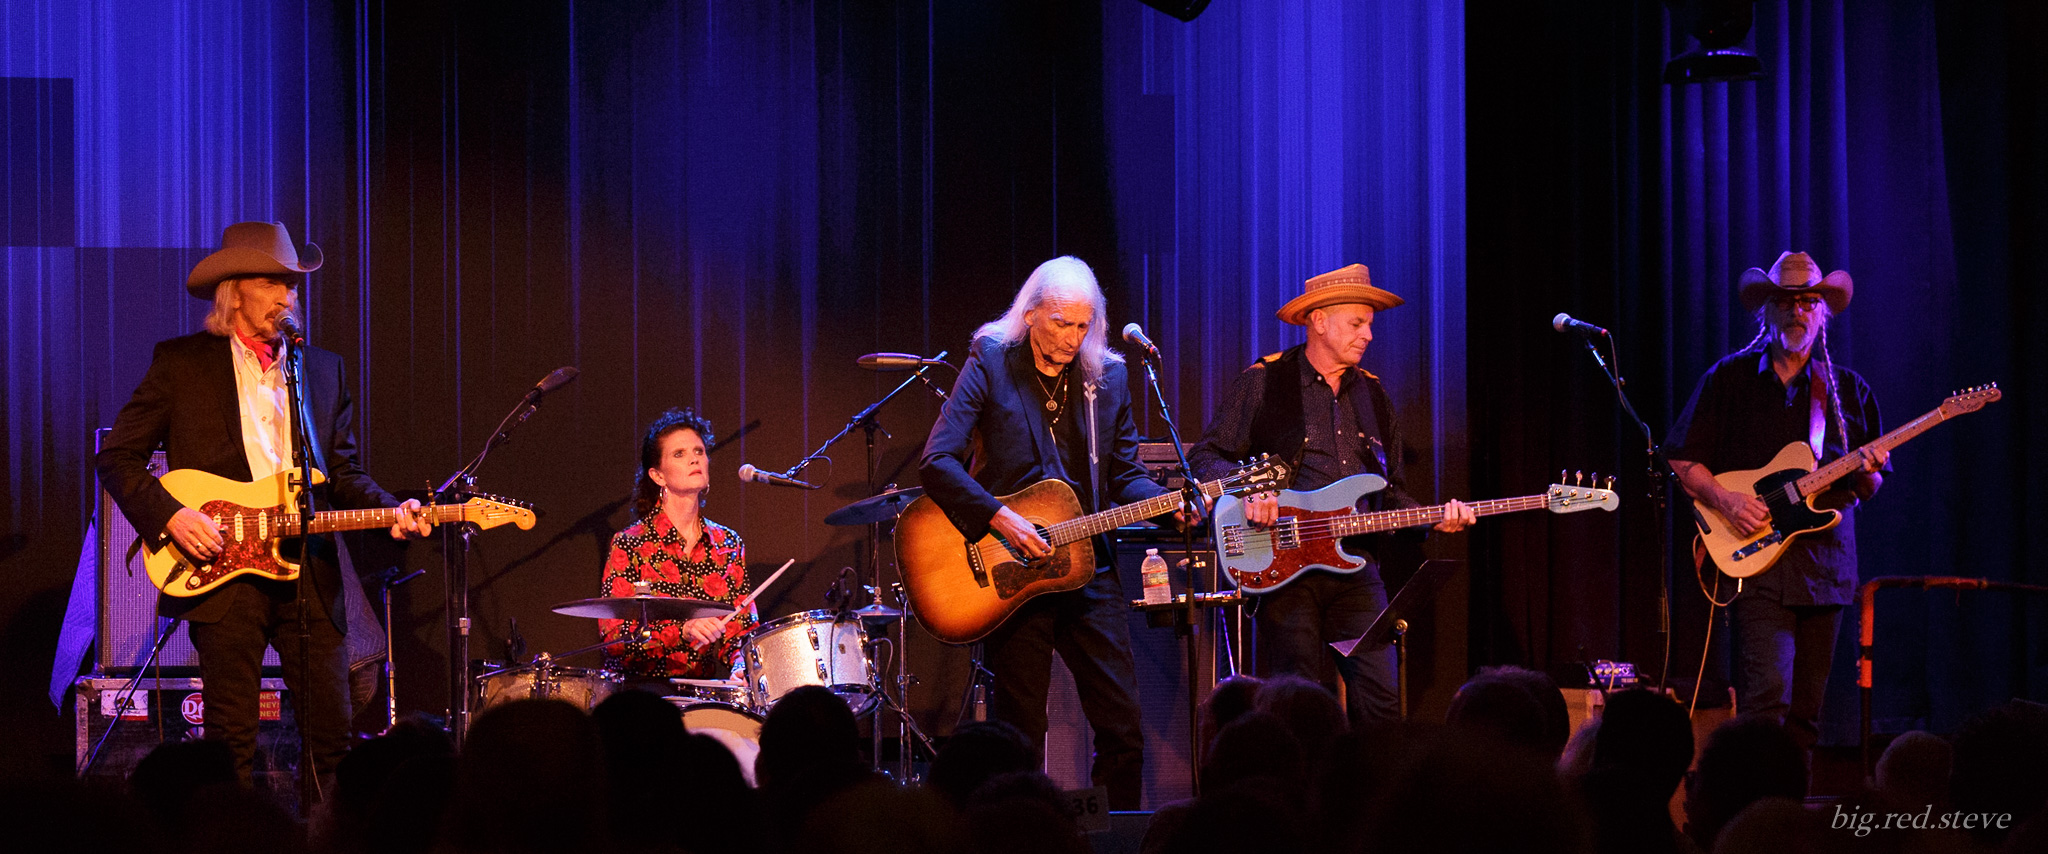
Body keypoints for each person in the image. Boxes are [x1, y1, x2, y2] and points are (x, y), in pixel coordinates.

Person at [95, 221, 432, 793]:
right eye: (272, 283)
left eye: (292, 285)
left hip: (308, 571)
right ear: (234, 292)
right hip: (223, 570)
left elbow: (342, 473)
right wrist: (171, 516)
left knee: (332, 738)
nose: (287, 296)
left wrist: (391, 510)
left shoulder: (321, 369)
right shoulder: (181, 363)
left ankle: (326, 829)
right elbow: (118, 456)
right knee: (230, 741)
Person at [918, 255, 1192, 809]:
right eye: (1061, 323)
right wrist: (1000, 516)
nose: (1072, 338)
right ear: (1031, 314)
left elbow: (1125, 475)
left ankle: (1113, 838)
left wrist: (1171, 509)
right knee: (1020, 734)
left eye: (1083, 325)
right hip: (1012, 569)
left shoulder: (1108, 377)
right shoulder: (993, 359)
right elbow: (937, 461)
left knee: (1123, 729)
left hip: (1089, 567)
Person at [1188, 263, 1473, 726]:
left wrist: (1434, 516)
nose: (1368, 336)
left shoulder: (1374, 396)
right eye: (1357, 323)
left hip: (1356, 565)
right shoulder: (1264, 380)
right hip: (1283, 562)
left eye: (1369, 325)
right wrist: (1249, 492)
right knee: (1296, 704)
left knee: (1381, 703)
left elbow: (1392, 493)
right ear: (1319, 321)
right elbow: (1205, 457)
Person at [1667, 251, 1886, 749]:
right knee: (1767, 699)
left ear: (1822, 312)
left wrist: (1870, 470)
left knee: (1807, 713)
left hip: (1826, 569)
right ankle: (1755, 796)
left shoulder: (1847, 390)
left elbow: (1868, 489)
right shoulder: (1728, 378)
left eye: (1808, 302)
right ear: (1766, 309)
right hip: (1758, 563)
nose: (1797, 311)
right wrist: (1727, 501)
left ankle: (1790, 799)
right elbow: (1682, 459)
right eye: (1786, 301)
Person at [599, 408, 756, 683]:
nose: (694, 459)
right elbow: (614, 638)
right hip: (641, 690)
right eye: (679, 454)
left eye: (699, 451)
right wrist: (682, 631)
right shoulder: (630, 543)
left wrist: (741, 665)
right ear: (658, 476)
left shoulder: (728, 543)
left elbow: (741, 631)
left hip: (700, 691)